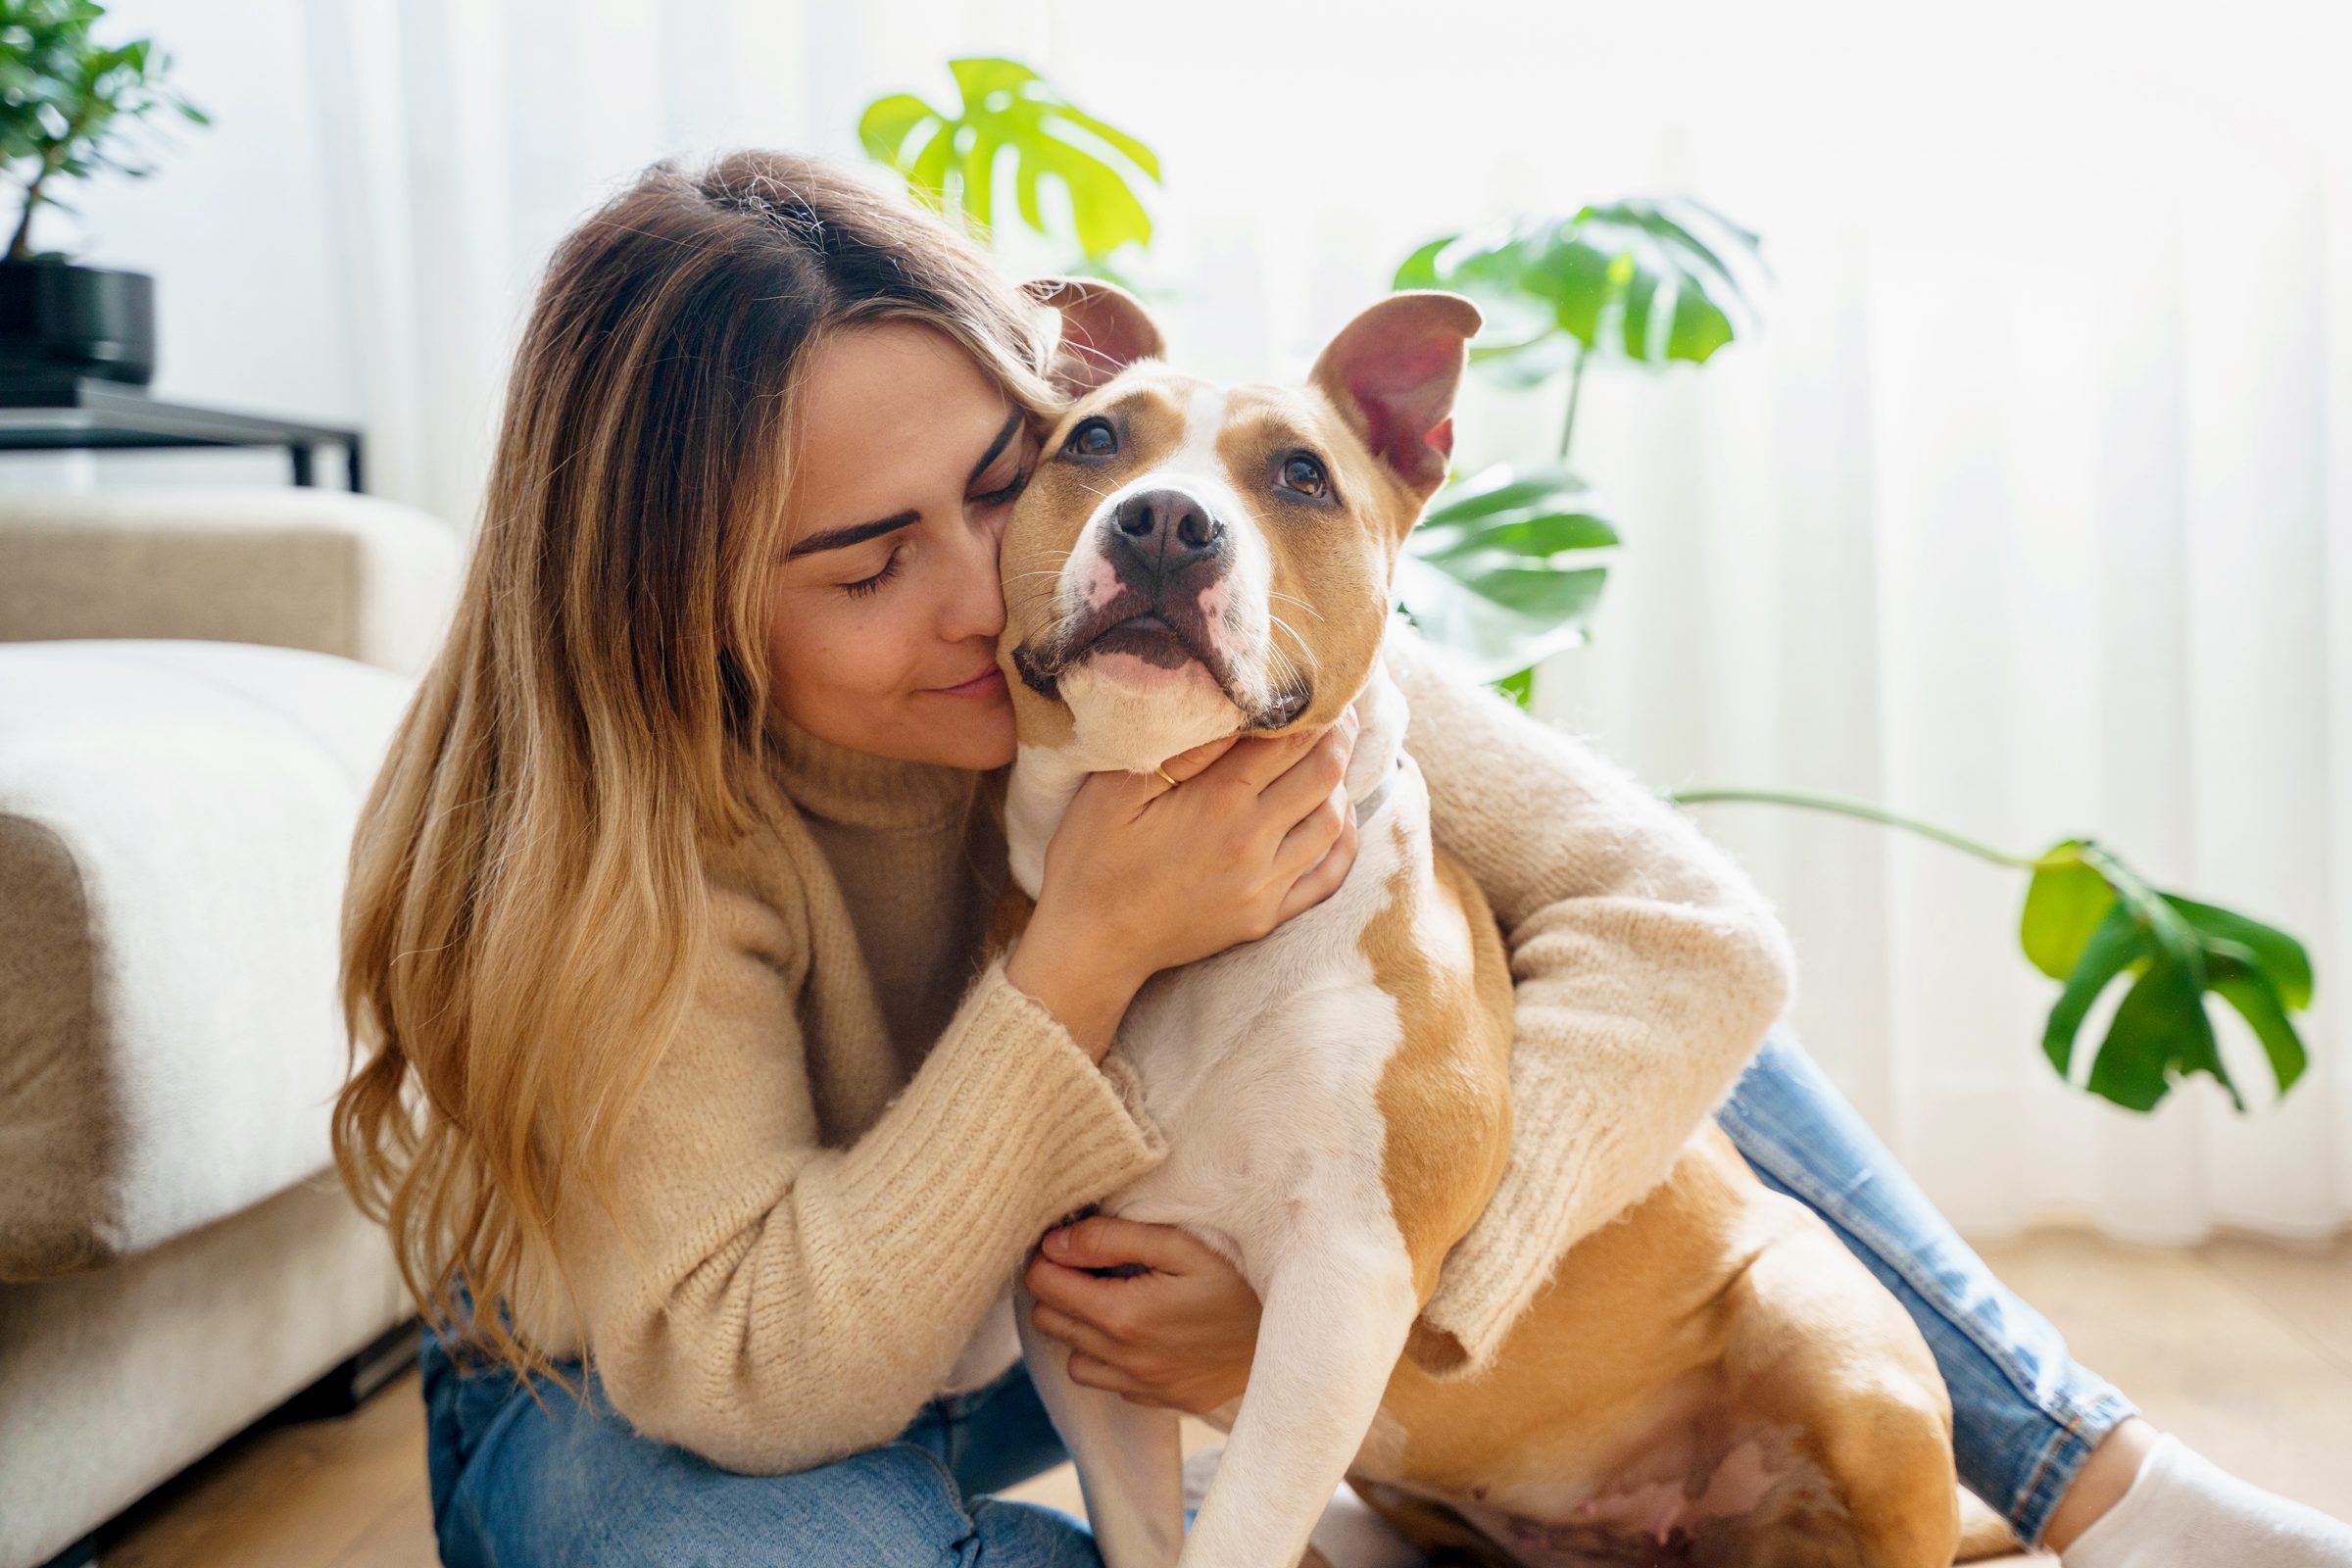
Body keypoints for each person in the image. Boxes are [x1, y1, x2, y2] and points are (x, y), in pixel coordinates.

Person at [332, 148, 2352, 1568]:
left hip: (1066, 1298)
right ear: (675, 602)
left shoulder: (1151, 599)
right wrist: (1088, 952)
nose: (981, 596)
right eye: (870, 562)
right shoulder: (612, 848)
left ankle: (2094, 1476)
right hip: (668, 1385)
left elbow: (1684, 929)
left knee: (1521, 933)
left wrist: (1383, 1291)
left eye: (999, 484)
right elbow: (762, 1368)